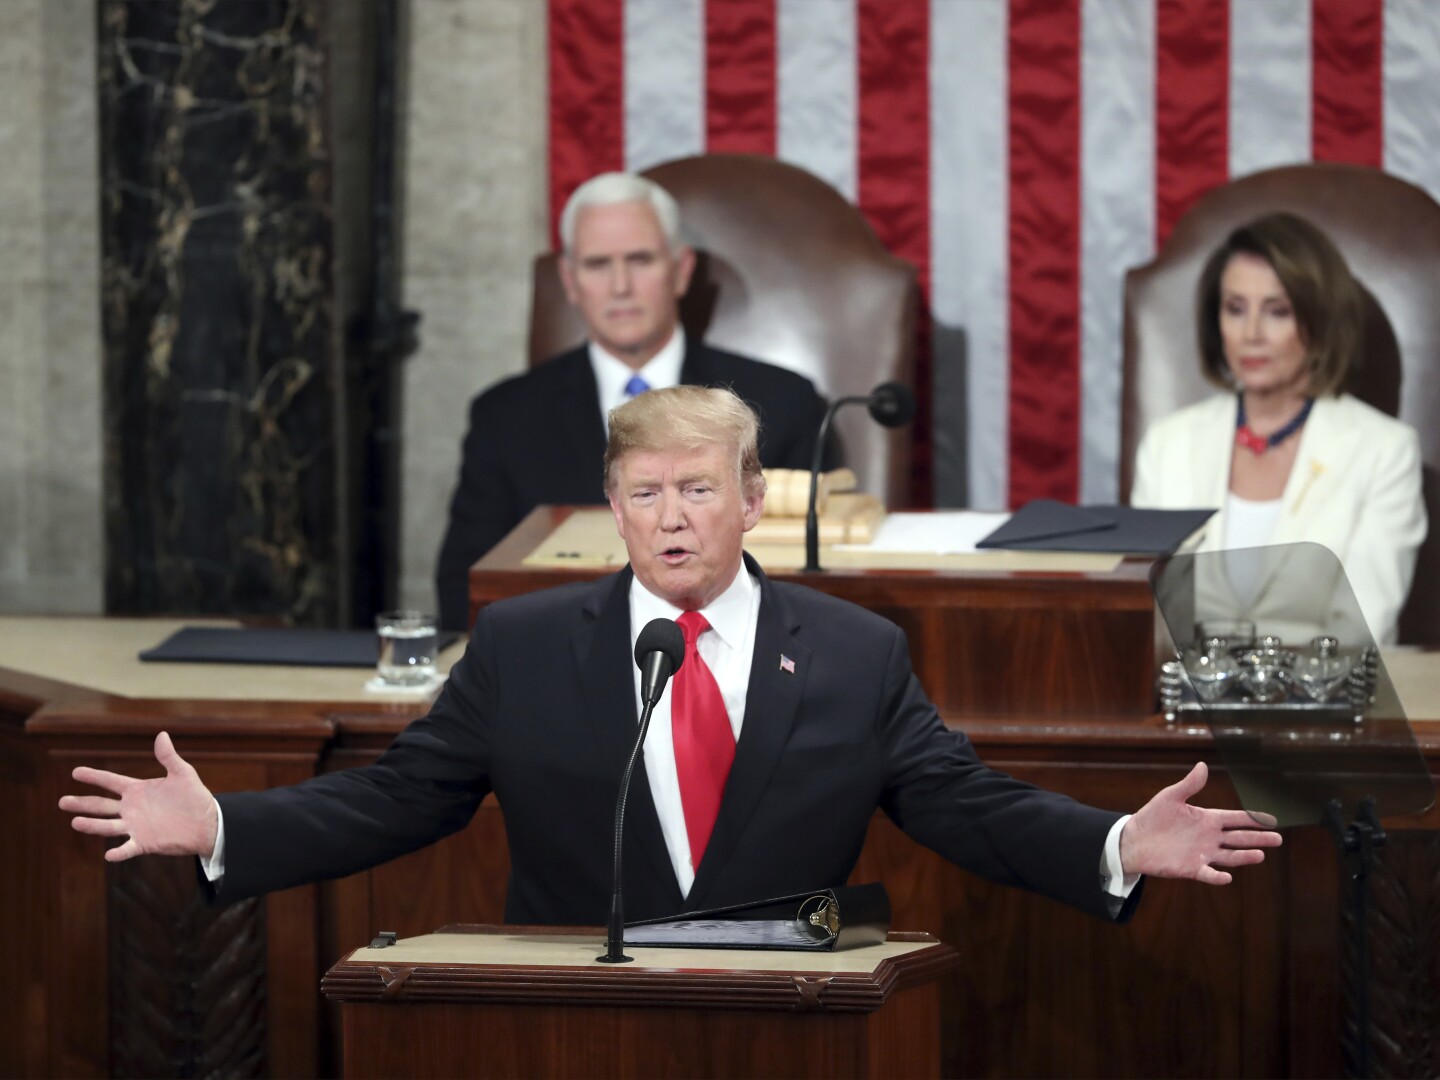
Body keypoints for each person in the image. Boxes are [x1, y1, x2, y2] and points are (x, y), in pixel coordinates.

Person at [62, 386, 1279, 929]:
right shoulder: (529, 646)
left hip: (795, 1021)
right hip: (572, 1027)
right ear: (613, 504)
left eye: (700, 487)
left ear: (755, 496)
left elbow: (967, 806)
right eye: (646, 493)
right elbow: (395, 800)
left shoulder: (853, 653)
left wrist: (1115, 841)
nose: (675, 517)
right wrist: (226, 827)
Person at [434, 171, 833, 630]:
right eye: (598, 264)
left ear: (680, 271)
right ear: (569, 279)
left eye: (640, 260)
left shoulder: (779, 404)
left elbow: (809, 584)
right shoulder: (504, 417)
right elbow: (463, 589)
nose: (620, 285)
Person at [1131, 212, 1426, 646]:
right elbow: (1149, 616)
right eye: (1235, 309)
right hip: (1186, 701)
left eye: (1277, 311)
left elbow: (1362, 629)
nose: (1251, 334)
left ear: (1319, 321)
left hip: (1320, 705)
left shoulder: (1384, 451)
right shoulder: (1169, 443)